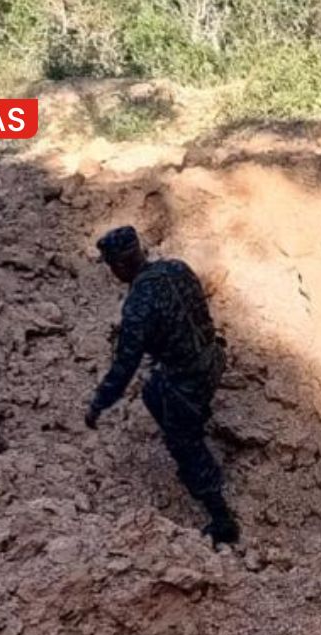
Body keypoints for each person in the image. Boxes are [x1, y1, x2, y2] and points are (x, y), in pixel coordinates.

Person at [85, 226, 239, 545]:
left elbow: (124, 366)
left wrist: (100, 402)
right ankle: (192, 422)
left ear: (119, 265)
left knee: (185, 444)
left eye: (111, 266)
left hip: (189, 379)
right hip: (212, 357)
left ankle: (222, 520)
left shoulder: (139, 304)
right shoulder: (176, 268)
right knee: (153, 392)